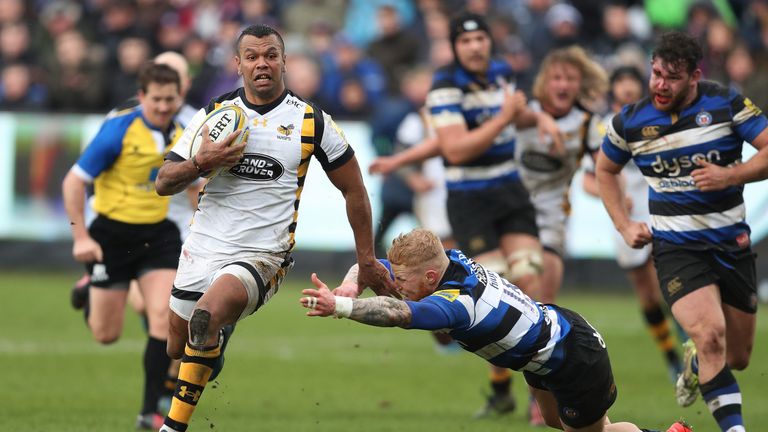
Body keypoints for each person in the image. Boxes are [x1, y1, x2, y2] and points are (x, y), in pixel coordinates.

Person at [153, 24, 395, 432]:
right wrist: (201, 163)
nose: (261, 63)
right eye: (252, 56)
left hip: (262, 255)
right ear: (238, 64)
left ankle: (171, 428)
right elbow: (162, 181)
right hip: (204, 246)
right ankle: (215, 342)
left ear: (284, 61)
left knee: (204, 319)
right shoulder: (215, 115)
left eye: (270, 54)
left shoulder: (311, 121)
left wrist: (366, 259)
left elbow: (355, 190)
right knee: (178, 346)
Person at [300, 228, 693, 432]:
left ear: (432, 276)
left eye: (403, 279)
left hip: (573, 356)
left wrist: (342, 305)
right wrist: (354, 282)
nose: (396, 282)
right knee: (564, 424)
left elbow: (396, 312)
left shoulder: (458, 307)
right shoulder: (449, 262)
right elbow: (375, 267)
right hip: (546, 354)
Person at [596, 31, 768, 432]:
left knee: (738, 356)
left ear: (694, 76)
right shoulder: (631, 122)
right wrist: (623, 225)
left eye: (671, 77)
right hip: (676, 249)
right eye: (655, 73)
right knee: (710, 336)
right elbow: (605, 170)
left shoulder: (725, 103)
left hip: (732, 243)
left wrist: (730, 174)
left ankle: (694, 363)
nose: (660, 84)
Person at [426, 11, 564, 421]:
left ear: (490, 41)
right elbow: (454, 150)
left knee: (530, 283)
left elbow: (517, 113)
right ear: (455, 48)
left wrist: (536, 116)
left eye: (480, 39)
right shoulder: (444, 86)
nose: (475, 46)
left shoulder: (503, 73)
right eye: (465, 41)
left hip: (510, 191)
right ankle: (502, 389)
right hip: (471, 201)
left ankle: (539, 397)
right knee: (498, 299)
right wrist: (505, 117)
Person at [61, 62, 184, 429]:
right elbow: (73, 182)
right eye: (157, 99)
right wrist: (81, 237)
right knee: (106, 334)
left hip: (158, 236)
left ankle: (149, 413)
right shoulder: (119, 130)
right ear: (142, 96)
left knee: (163, 318)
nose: (163, 107)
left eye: (170, 99)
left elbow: (194, 186)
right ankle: (90, 289)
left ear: (179, 98)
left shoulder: (183, 131)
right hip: (111, 237)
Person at [582, 65, 683, 382]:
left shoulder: (658, 118)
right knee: (647, 293)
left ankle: (690, 338)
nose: (626, 87)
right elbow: (588, 178)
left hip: (658, 204)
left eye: (631, 82)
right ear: (613, 88)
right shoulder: (599, 127)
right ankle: (671, 356)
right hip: (623, 215)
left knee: (670, 279)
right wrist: (607, 194)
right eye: (620, 81)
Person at [515, 45, 607, 304]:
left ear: (580, 84)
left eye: (570, 79)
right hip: (512, 203)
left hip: (552, 209)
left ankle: (545, 322)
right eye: (557, 78)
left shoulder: (588, 123)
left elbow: (606, 169)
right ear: (545, 81)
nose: (563, 85)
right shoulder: (524, 111)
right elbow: (512, 117)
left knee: (544, 285)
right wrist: (541, 120)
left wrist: (616, 195)